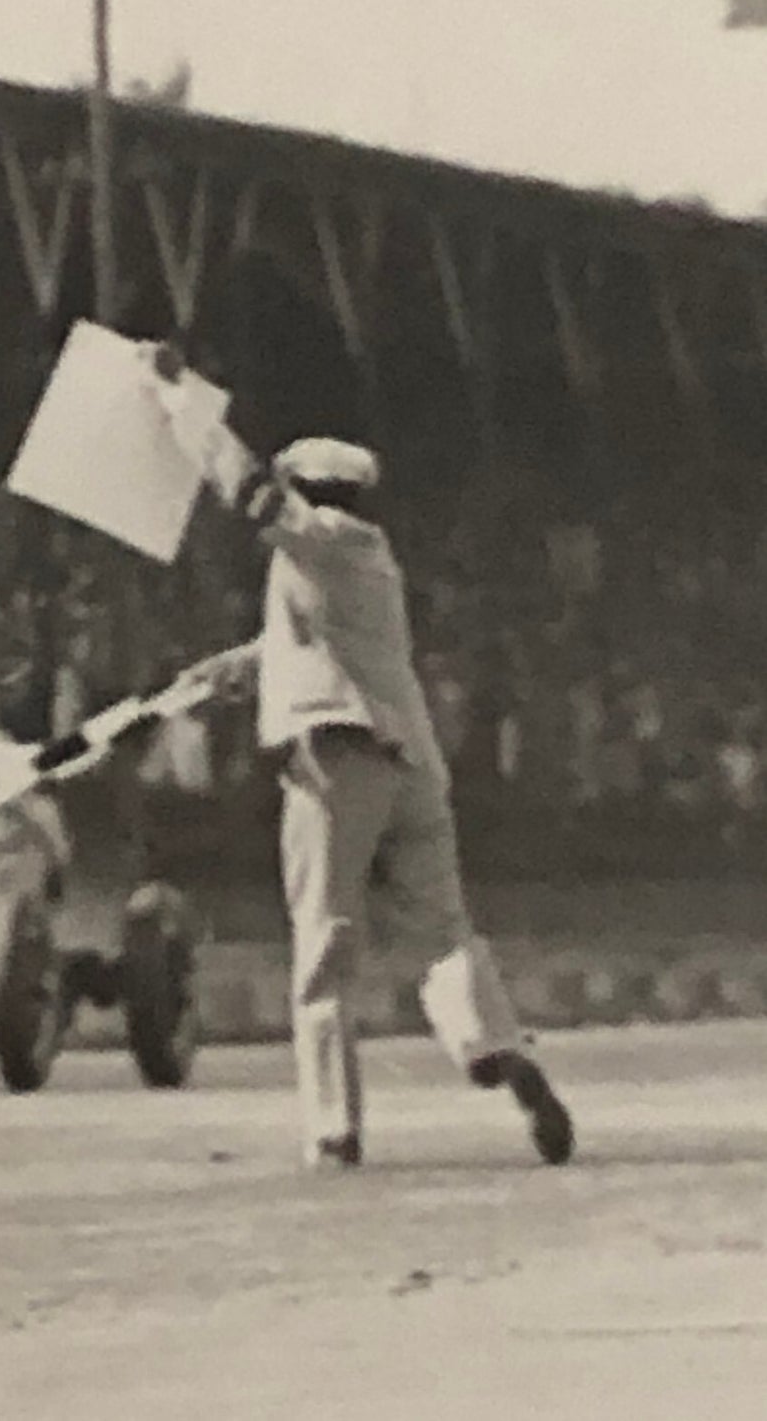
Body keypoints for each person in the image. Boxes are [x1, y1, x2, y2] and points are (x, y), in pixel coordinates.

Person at [151, 352, 574, 1170]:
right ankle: (494, 1048)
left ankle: (334, 1127)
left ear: (307, 490)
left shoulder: (322, 538)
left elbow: (241, 488)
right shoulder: (364, 558)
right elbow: (304, 637)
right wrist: (228, 669)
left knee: (322, 943)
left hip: (337, 757)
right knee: (445, 927)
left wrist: (175, 397)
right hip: (410, 760)